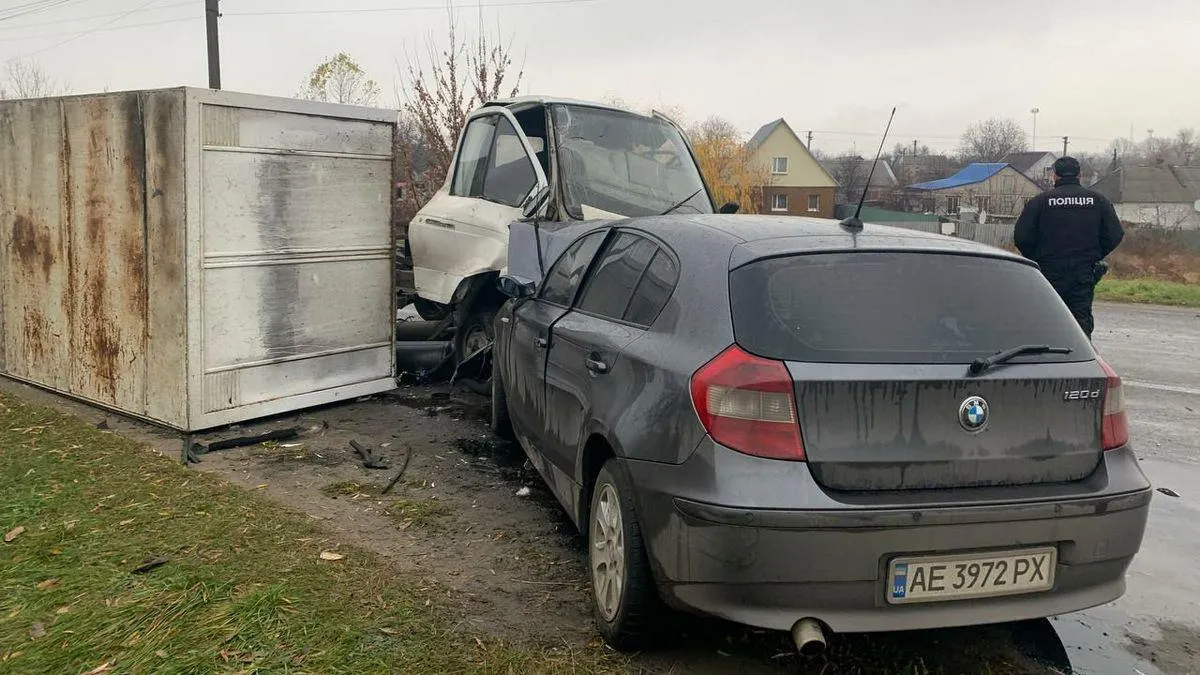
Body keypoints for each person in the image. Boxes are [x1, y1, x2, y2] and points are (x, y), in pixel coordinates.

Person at [1014, 156, 1124, 339]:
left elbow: (1022, 237)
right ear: (1080, 175)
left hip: (1049, 272)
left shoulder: (1040, 202)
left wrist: (1038, 257)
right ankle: (1079, 361)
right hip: (1083, 272)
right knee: (1080, 323)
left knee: (1048, 319)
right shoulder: (1098, 201)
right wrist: (1094, 255)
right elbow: (1115, 234)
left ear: (1054, 175)